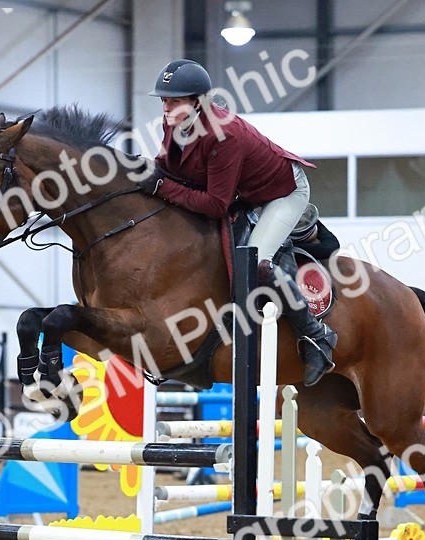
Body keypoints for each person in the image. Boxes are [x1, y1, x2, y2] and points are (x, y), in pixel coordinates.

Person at [138, 58, 336, 387]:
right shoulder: (175, 122)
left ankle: (317, 337)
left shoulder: (223, 133)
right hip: (242, 192)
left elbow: (216, 204)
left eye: (174, 101)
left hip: (283, 192)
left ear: (198, 102)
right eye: (164, 100)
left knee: (256, 262)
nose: (166, 107)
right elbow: (165, 167)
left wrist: (161, 186)